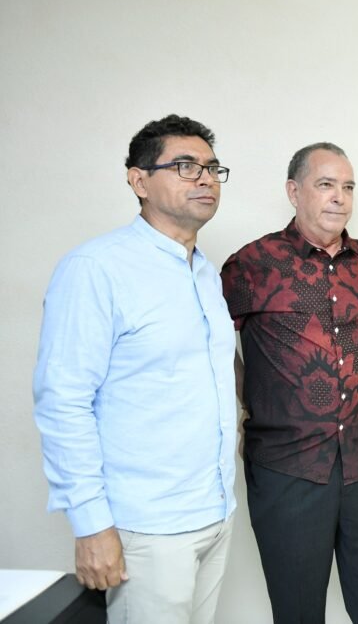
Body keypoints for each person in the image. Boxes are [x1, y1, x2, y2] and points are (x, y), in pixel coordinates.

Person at [33, 114, 238, 624]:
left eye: (212, 168)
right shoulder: (96, 268)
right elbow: (63, 401)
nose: (205, 179)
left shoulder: (205, 272)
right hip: (145, 527)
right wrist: (91, 526)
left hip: (215, 512)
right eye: (186, 166)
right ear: (139, 180)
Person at [221, 142, 358, 624]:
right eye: (326, 185)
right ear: (294, 192)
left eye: (348, 187)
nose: (340, 197)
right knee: (297, 612)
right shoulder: (251, 264)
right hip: (287, 466)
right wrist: (247, 404)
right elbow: (215, 345)